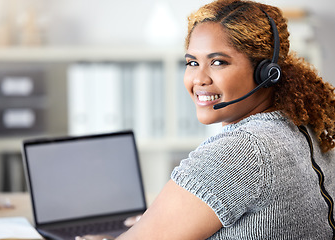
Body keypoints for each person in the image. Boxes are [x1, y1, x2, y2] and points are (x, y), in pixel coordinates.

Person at [77, 0, 335, 239]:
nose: (199, 79)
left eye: (218, 62)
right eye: (191, 63)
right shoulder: (304, 127)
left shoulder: (242, 151)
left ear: (266, 73)